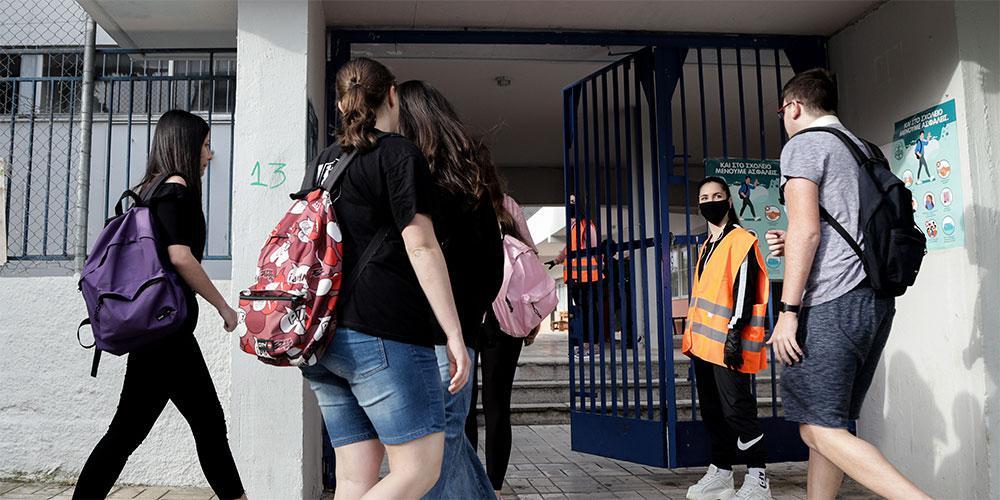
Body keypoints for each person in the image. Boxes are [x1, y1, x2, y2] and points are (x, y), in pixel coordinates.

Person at [299, 58, 470, 500]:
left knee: (355, 479)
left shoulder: (324, 162)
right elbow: (422, 247)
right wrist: (453, 334)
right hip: (382, 334)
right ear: (392, 95)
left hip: (323, 336)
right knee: (419, 469)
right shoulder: (399, 154)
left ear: (341, 103)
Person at [765, 68, 929, 499]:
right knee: (831, 424)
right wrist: (792, 238)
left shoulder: (803, 145)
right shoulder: (863, 148)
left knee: (816, 428)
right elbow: (836, 227)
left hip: (831, 302)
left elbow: (807, 232)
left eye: (782, 112)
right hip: (874, 301)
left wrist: (788, 312)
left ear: (793, 107)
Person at [73, 110, 245, 500]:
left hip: (156, 331)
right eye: (205, 145)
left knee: (129, 432)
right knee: (207, 426)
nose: (209, 155)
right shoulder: (176, 189)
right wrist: (223, 306)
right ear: (186, 145)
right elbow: (181, 256)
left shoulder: (150, 189)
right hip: (167, 334)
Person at [395, 79, 501, 500]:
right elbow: (492, 266)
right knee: (447, 448)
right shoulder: (470, 180)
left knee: (433, 461)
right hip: (460, 337)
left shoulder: (412, 183)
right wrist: (469, 319)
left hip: (425, 339)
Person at [682, 177, 772, 500]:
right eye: (704, 197)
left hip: (728, 343)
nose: (711, 201)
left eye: (717, 196)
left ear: (729, 201)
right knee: (712, 411)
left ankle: (758, 478)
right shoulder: (706, 245)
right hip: (704, 345)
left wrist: (734, 332)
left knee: (737, 410)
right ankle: (721, 473)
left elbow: (745, 290)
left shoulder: (740, 240)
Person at [465, 194, 539, 498]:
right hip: (487, 315)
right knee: (485, 406)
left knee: (478, 406)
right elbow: (530, 256)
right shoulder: (505, 204)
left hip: (482, 316)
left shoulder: (500, 204)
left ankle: (487, 488)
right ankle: (483, 487)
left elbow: (528, 259)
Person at [546, 195, 604, 355]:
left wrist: (601, 267)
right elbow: (569, 249)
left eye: (572, 203)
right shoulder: (573, 227)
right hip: (575, 278)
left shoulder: (587, 226)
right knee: (582, 311)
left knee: (589, 311)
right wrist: (556, 260)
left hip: (588, 278)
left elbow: (595, 248)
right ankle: (586, 343)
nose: (570, 207)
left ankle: (593, 344)